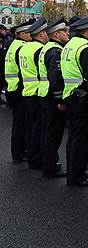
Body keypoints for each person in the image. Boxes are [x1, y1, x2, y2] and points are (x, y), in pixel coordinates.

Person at [61, 14, 88, 187]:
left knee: (74, 137)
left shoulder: (69, 46)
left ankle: (73, 173)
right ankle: (78, 175)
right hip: (83, 99)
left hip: (71, 95)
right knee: (83, 139)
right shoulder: (87, 48)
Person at [39, 19, 69, 178]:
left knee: (49, 132)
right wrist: (60, 100)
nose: (67, 33)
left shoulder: (47, 48)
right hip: (51, 96)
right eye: (64, 31)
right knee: (53, 134)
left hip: (45, 93)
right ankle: (51, 167)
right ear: (56, 34)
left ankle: (48, 164)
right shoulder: (55, 51)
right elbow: (56, 78)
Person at [20, 18, 48, 170]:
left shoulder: (24, 47)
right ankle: (36, 159)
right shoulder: (39, 50)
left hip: (27, 90)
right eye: (45, 33)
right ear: (41, 34)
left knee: (31, 127)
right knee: (38, 129)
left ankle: (32, 156)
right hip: (37, 91)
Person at [6, 18, 34, 162]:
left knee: (18, 123)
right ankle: (20, 152)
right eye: (30, 33)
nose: (32, 35)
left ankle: (18, 151)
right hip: (19, 88)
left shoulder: (14, 45)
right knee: (21, 123)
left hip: (12, 87)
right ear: (22, 34)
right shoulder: (21, 47)